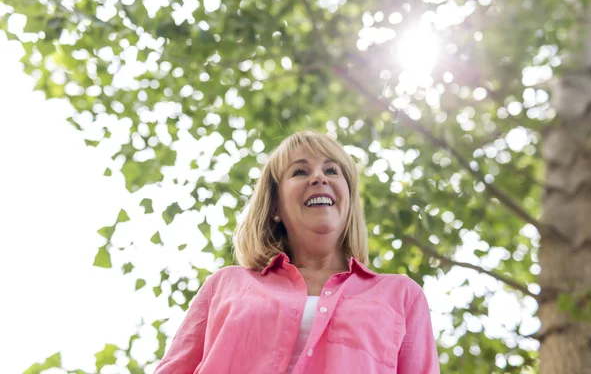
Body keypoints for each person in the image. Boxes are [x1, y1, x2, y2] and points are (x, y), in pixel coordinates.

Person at [154, 130, 440, 374]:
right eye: (300, 171)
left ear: (349, 202)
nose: (319, 178)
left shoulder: (402, 296)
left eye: (331, 170)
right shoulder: (226, 285)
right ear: (275, 207)